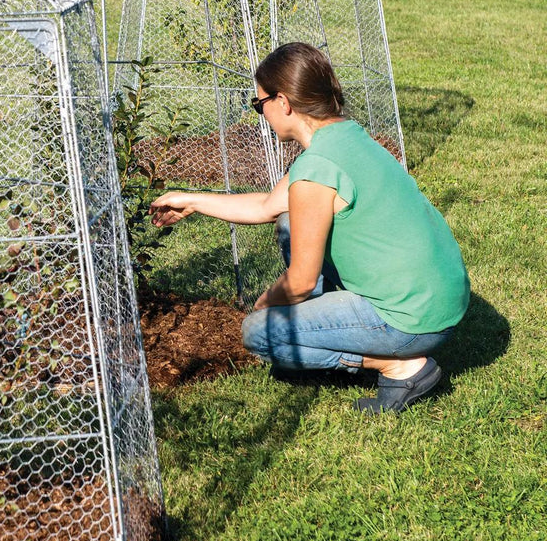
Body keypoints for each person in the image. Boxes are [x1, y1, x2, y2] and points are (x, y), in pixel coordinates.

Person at [149, 42, 469, 414]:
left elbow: (299, 282)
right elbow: (270, 206)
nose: (261, 114)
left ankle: (399, 366)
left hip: (412, 321)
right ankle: (333, 325)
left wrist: (267, 304)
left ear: (282, 102)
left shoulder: (316, 170)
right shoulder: (345, 137)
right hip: (438, 299)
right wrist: (193, 200)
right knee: (289, 221)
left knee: (261, 332)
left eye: (259, 105)